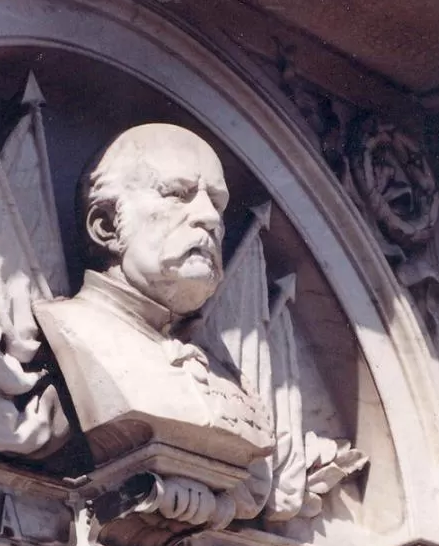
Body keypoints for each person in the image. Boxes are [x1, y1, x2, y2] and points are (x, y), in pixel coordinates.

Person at [34, 124, 273, 472]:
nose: (210, 218)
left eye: (217, 203)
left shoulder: (224, 374)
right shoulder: (70, 329)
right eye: (177, 193)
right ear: (105, 226)